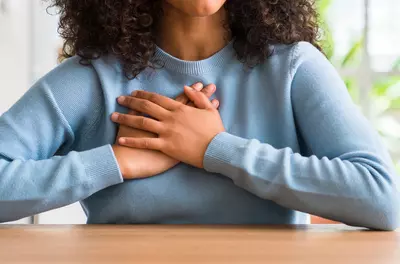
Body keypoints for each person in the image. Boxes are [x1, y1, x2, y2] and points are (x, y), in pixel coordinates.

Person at [0, 0, 399, 230]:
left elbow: (382, 198)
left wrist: (216, 149)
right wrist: (113, 163)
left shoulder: (294, 69)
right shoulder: (91, 79)